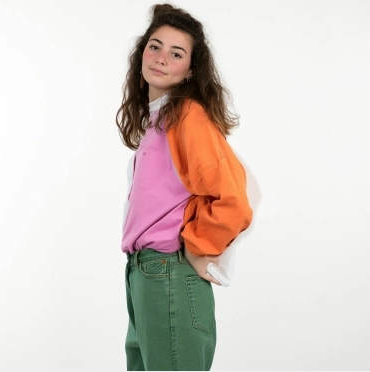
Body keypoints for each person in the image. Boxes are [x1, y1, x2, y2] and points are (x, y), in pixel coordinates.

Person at [116, 4, 253, 371]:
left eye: (176, 54)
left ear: (191, 69)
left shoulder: (187, 116)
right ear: (141, 51)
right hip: (144, 276)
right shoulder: (157, 120)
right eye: (155, 46)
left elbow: (233, 202)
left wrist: (198, 247)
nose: (161, 58)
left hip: (168, 275)